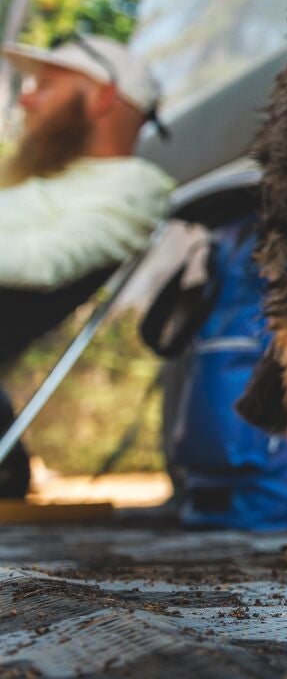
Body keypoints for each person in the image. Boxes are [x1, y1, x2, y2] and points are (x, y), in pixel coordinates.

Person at [0, 35, 173, 497]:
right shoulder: (38, 181)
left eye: (47, 84)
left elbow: (44, 263)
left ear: (103, 96)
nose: (26, 96)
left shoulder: (133, 187)